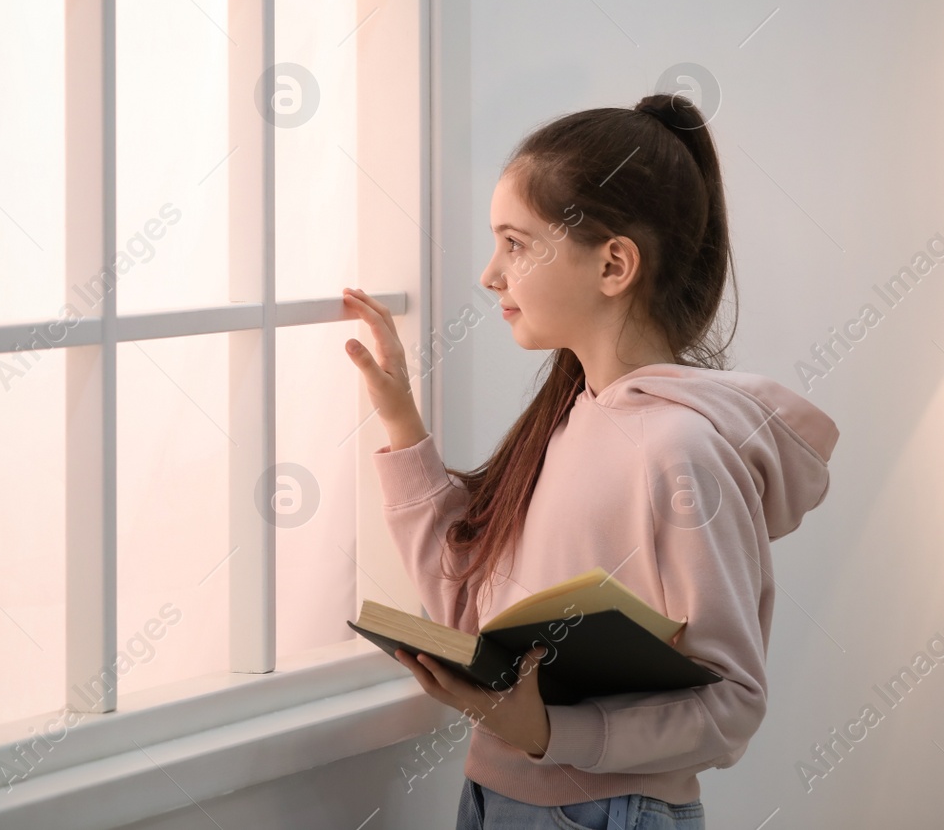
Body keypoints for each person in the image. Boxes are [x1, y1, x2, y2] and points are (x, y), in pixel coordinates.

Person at [342, 93, 840, 829]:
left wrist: (551, 735)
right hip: (496, 797)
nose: (490, 273)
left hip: (608, 812)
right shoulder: (570, 415)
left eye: (515, 243)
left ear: (613, 264)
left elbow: (732, 704)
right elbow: (467, 611)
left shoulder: (682, 452)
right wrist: (398, 416)